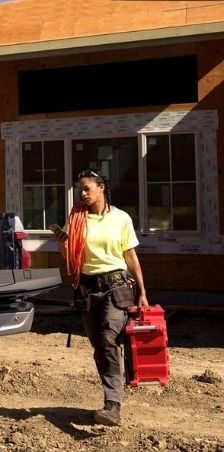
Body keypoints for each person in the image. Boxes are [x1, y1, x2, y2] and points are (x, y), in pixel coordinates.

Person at [51, 170, 149, 426]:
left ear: (102, 187)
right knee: (99, 346)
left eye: (87, 188)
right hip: (86, 289)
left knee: (108, 338)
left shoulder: (121, 219)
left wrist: (142, 291)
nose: (83, 194)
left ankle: (112, 405)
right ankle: (111, 397)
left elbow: (130, 256)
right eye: (80, 189)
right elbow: (70, 256)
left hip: (116, 287)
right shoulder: (77, 219)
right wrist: (62, 243)